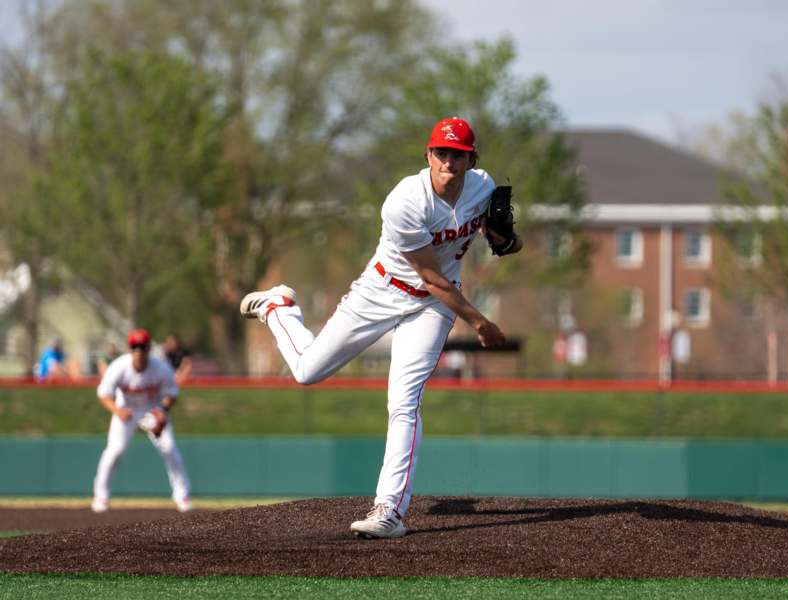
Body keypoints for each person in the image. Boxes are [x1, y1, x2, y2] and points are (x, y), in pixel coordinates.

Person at [240, 117, 522, 538]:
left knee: (404, 401)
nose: (448, 161)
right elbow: (431, 277)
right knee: (306, 372)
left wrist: (506, 240)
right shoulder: (404, 202)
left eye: (457, 154)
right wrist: (480, 322)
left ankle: (388, 509)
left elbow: (504, 246)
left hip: (431, 308)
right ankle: (279, 308)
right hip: (382, 290)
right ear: (428, 156)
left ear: (471, 159)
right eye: (441, 153)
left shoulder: (483, 187)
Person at [91, 328, 192, 513]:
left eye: (142, 347)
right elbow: (104, 394)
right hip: (126, 409)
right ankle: (101, 496)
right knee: (114, 451)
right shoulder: (119, 367)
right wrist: (117, 410)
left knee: (169, 448)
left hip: (152, 410)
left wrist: (163, 410)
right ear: (130, 349)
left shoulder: (161, 367)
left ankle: (182, 495)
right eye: (134, 347)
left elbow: (172, 392)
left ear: (148, 349)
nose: (139, 351)